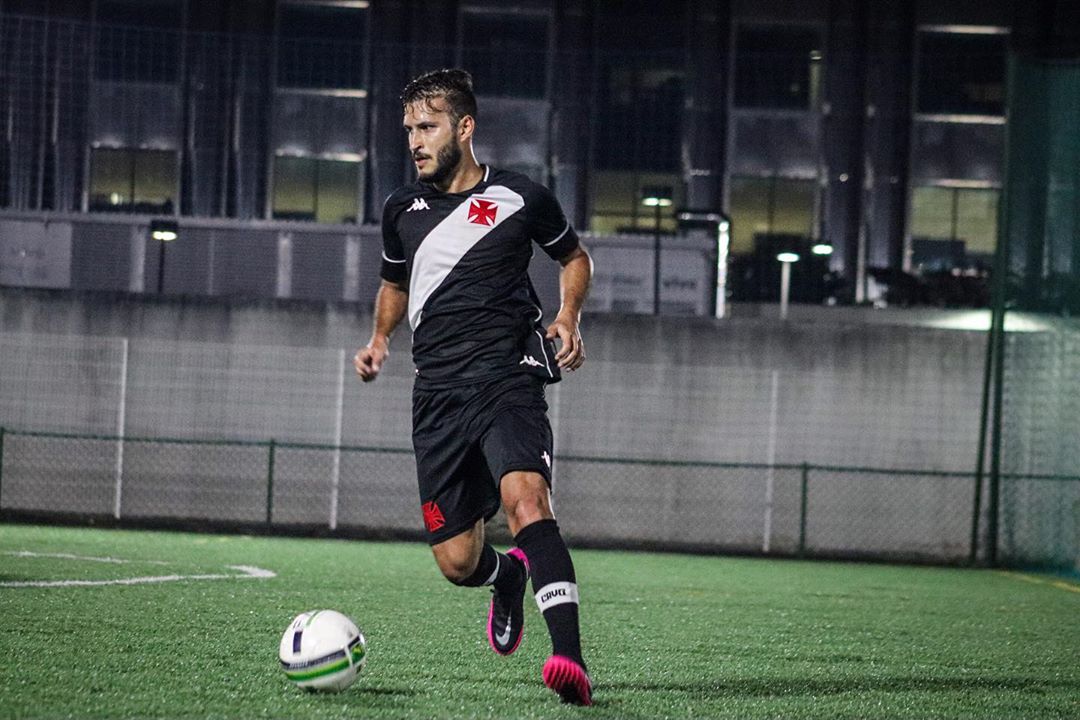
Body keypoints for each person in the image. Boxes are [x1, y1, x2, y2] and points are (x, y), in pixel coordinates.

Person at [353, 68, 594, 706]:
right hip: (437, 396)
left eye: (427, 127)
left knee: (527, 503)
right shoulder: (400, 210)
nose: (415, 141)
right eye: (409, 129)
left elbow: (574, 257)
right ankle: (505, 576)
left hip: (507, 380)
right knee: (458, 562)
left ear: (464, 127)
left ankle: (569, 661)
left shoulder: (520, 197)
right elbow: (394, 284)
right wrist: (379, 339)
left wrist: (568, 315)